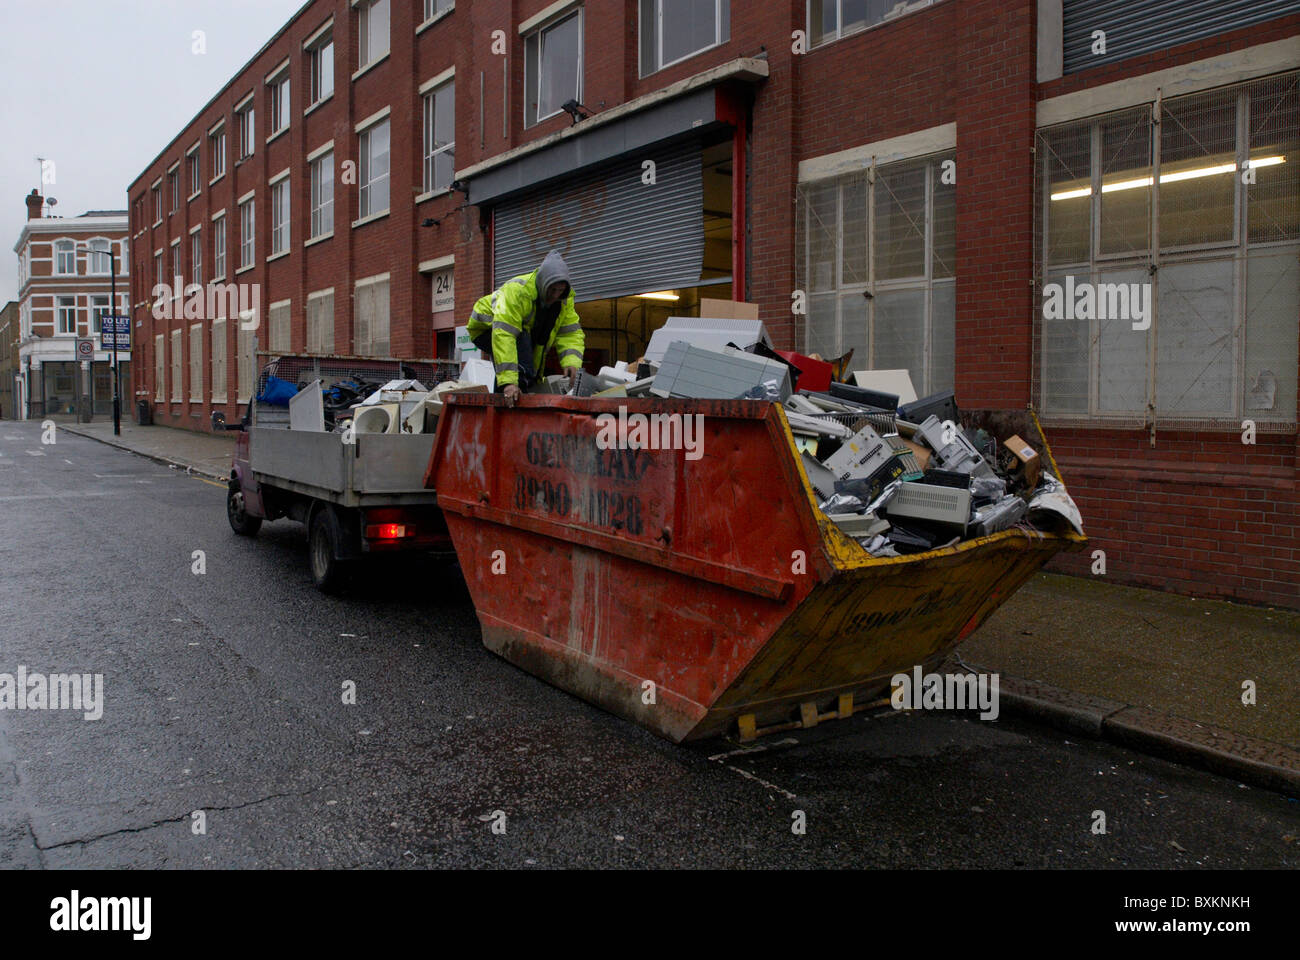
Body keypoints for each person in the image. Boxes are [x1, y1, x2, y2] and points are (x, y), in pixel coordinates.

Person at [466, 250, 585, 404]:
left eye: (560, 291)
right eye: (552, 289)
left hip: (518, 333)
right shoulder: (518, 291)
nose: (555, 295)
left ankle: (513, 395)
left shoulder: (563, 302)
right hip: (485, 326)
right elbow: (505, 334)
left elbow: (570, 334)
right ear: (542, 282)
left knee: (529, 365)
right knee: (521, 360)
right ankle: (508, 398)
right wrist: (509, 383)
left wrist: (572, 363)